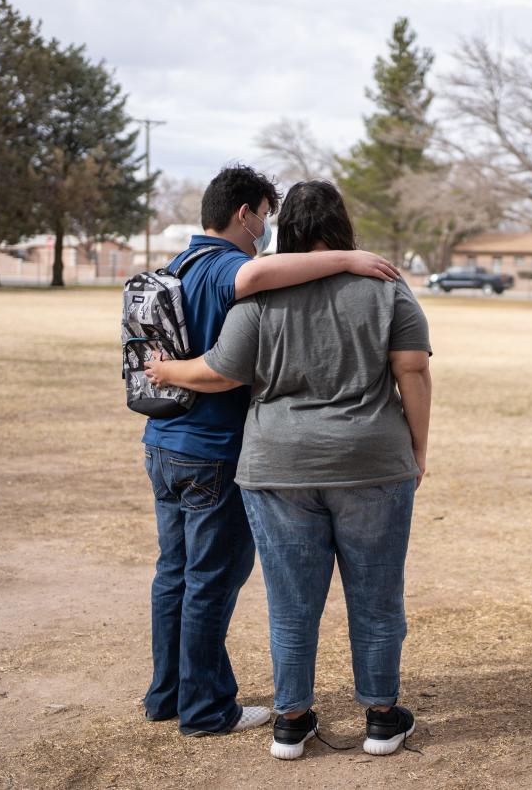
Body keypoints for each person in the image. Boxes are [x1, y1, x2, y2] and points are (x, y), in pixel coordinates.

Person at [145, 179, 432, 759]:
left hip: (277, 466)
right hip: (373, 461)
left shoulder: (260, 298)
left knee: (291, 603)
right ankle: (381, 717)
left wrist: (166, 370)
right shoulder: (386, 287)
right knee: (377, 598)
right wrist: (418, 450)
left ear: (287, 232)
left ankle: (292, 721)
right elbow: (413, 371)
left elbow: (222, 371)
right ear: (343, 227)